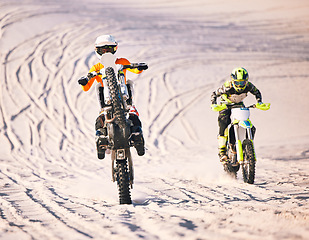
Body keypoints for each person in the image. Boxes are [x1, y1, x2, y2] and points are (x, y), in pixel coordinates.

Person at [78, 35, 147, 159]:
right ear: (97, 51)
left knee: (133, 114)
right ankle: (101, 139)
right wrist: (85, 81)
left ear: (115, 49)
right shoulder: (97, 68)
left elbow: (135, 69)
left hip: (125, 99)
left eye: (109, 50)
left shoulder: (122, 62)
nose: (106, 53)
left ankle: (137, 136)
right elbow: (87, 86)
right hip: (106, 103)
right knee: (100, 119)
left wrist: (138, 67)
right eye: (103, 50)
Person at [210, 67, 266, 162]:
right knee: (224, 121)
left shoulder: (249, 86)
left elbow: (257, 92)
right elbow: (214, 94)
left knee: (247, 121)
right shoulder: (227, 86)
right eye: (237, 83)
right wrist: (214, 104)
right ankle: (222, 151)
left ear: (246, 81)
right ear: (233, 81)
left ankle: (246, 145)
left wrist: (259, 102)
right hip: (225, 104)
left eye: (242, 83)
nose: (240, 86)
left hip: (238, 104)